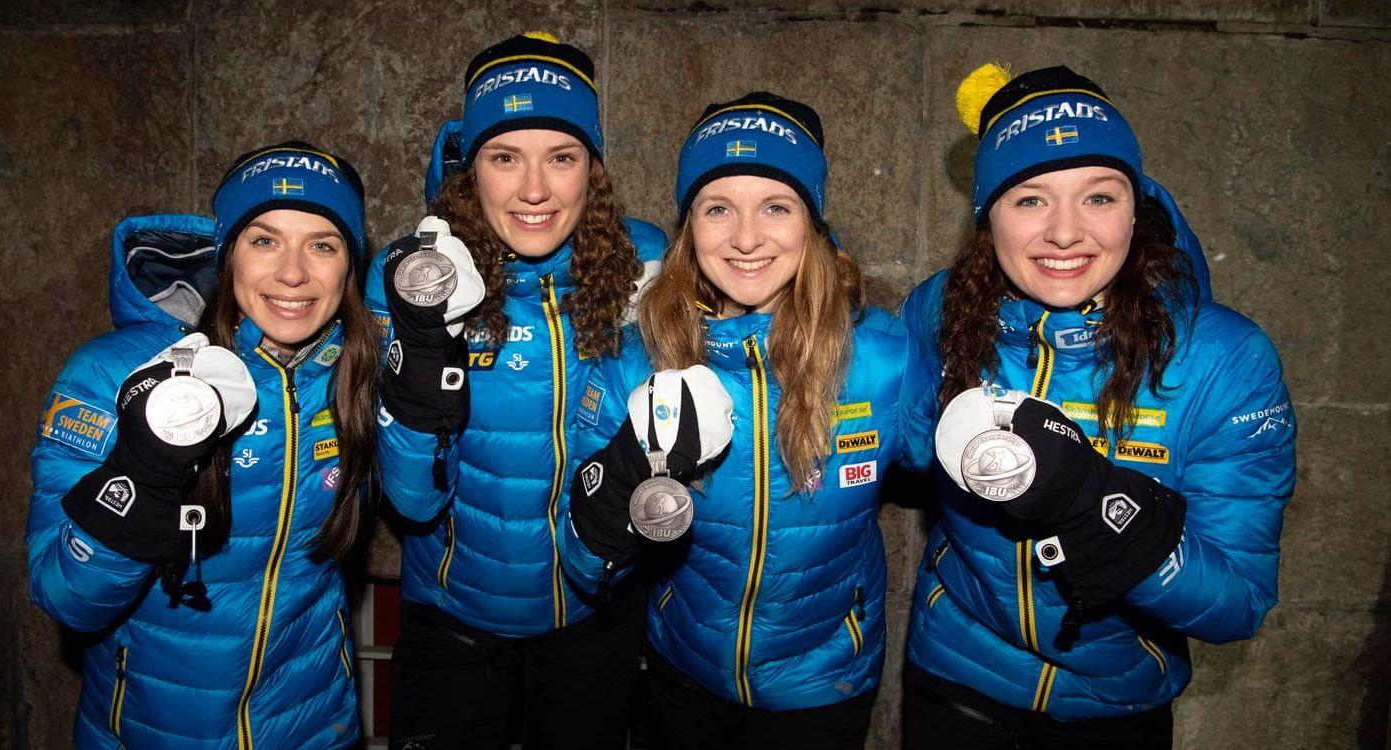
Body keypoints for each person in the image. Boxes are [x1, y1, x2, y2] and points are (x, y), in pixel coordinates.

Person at [897, 64, 1297, 748]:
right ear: (987, 215)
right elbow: (902, 449)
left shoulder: (1224, 359)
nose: (1064, 233)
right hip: (956, 682)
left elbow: (1239, 602)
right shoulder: (943, 309)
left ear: (1136, 209)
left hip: (1115, 708)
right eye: (1029, 199)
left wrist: (1099, 507)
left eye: (1099, 198)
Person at [560, 92, 914, 750]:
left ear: (810, 221)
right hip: (684, 674)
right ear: (690, 223)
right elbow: (583, 565)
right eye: (718, 207)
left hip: (824, 685)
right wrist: (624, 469)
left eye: (775, 207)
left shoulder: (883, 358)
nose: (746, 238)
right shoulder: (636, 361)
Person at [366, 32, 667, 750]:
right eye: (505, 158)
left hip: (596, 616)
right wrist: (425, 350)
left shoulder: (646, 262)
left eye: (560, 158)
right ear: (471, 172)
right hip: (454, 626)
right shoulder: (412, 278)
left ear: (592, 170)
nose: (534, 190)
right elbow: (409, 500)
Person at [27, 141, 378, 748]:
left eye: (322, 244)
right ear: (227, 256)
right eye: (264, 240)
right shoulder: (115, 374)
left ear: (349, 266)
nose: (292, 273)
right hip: (152, 731)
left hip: (314, 724)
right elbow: (67, 598)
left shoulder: (356, 373)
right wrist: (144, 473)